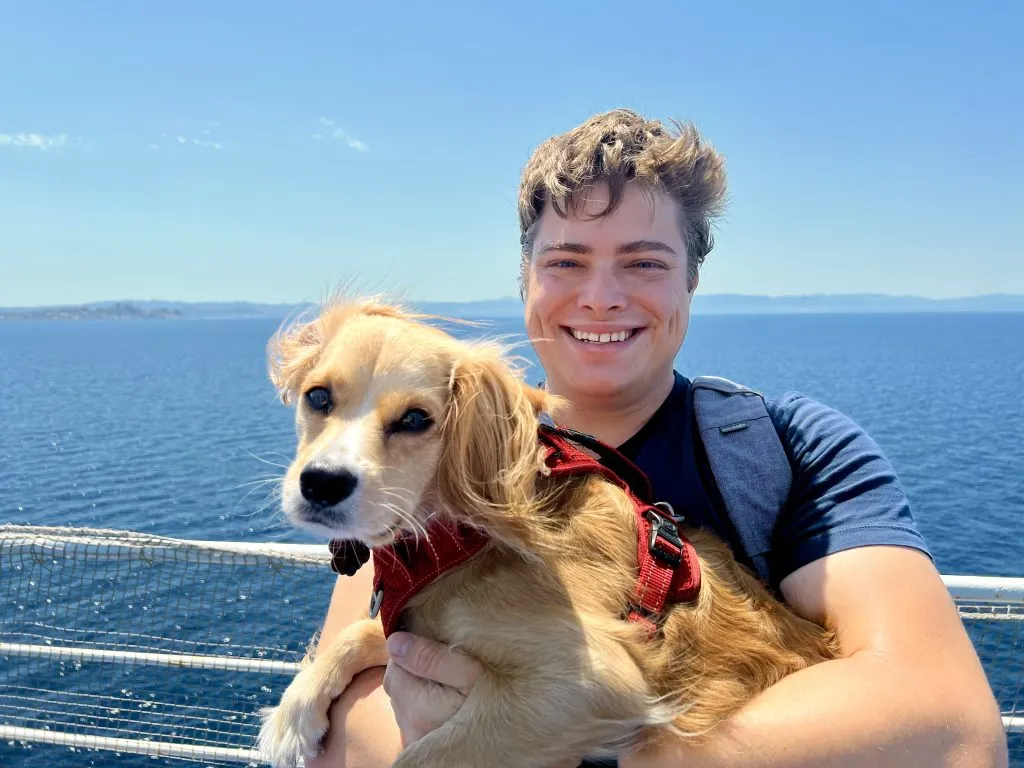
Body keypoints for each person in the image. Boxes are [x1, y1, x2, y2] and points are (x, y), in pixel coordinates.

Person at [303, 109, 1008, 767]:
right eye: (567, 261)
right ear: (524, 277)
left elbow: (953, 726)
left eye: (644, 262)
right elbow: (338, 720)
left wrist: (581, 745)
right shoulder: (426, 459)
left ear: (693, 278)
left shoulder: (790, 451)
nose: (602, 296)